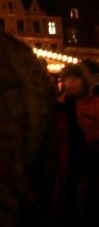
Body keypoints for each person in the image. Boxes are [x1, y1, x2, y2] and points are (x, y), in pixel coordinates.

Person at [57, 62, 99, 226]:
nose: (71, 82)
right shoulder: (60, 105)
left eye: (76, 78)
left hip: (90, 161)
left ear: (84, 81)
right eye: (68, 78)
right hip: (67, 163)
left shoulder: (94, 103)